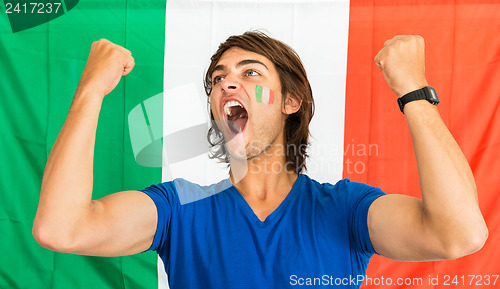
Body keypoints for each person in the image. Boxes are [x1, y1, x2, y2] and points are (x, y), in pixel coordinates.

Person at [33, 31, 488, 288]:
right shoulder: (179, 209)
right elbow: (60, 228)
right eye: (218, 79)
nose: (227, 84)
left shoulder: (347, 211)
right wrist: (91, 91)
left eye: (250, 72)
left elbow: (460, 234)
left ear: (290, 101)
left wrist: (414, 93)